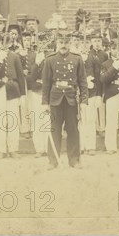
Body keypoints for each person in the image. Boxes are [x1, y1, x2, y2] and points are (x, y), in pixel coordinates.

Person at [41, 32, 88, 170]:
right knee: (54, 129)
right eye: (61, 42)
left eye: (66, 43)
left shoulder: (77, 59)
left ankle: (74, 159)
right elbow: (46, 83)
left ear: (70, 44)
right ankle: (53, 160)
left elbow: (82, 81)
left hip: (71, 98)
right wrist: (45, 102)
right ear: (57, 44)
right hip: (55, 99)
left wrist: (84, 100)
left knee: (73, 130)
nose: (64, 46)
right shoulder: (50, 60)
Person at [0, 34, 26, 159]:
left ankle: (13, 148)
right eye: (0, 42)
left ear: (10, 44)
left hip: (13, 88)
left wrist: (22, 94)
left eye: (6, 42)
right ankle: (0, 149)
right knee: (0, 119)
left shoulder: (15, 57)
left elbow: (20, 76)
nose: (3, 45)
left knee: (13, 119)